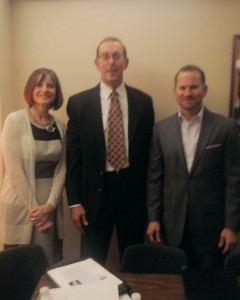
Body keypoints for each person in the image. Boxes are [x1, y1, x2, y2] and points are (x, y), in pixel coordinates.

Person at [66, 37, 154, 265]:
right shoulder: (78, 103)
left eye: (117, 56)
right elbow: (73, 159)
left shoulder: (144, 102)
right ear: (96, 62)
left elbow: (149, 158)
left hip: (133, 194)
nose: (111, 62)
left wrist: (151, 206)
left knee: (134, 260)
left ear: (126, 62)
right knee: (91, 263)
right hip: (94, 196)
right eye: (105, 56)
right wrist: (74, 202)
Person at [146, 64, 240, 270]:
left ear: (204, 90)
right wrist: (153, 218)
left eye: (194, 87)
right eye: (182, 87)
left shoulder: (227, 127)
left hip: (212, 227)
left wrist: (231, 226)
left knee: (209, 286)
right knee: (173, 285)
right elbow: (155, 178)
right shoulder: (161, 129)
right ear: (175, 91)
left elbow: (234, 182)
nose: (188, 93)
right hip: (171, 224)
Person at [0, 68, 66, 265]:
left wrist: (50, 206)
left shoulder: (60, 127)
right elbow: (14, 171)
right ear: (30, 89)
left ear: (56, 91)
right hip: (21, 205)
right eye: (39, 84)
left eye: (50, 85)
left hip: (49, 206)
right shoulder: (14, 120)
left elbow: (62, 168)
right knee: (17, 269)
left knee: (46, 267)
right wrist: (37, 213)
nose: (45, 89)